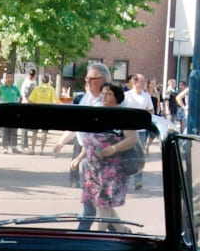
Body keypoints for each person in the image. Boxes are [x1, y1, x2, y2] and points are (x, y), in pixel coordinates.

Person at [52, 79, 137, 232]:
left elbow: (132, 139)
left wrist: (112, 149)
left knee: (103, 204)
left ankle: (100, 235)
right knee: (97, 203)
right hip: (93, 166)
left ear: (117, 96)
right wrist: (79, 157)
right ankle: (122, 229)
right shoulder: (98, 113)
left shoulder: (124, 115)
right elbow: (91, 140)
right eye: (103, 93)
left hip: (113, 168)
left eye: (109, 94)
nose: (104, 96)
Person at [123, 74, 154, 189]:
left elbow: (150, 110)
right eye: (140, 81)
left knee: (139, 155)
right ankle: (125, 180)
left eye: (144, 81)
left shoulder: (146, 96)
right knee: (127, 154)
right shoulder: (126, 96)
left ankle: (138, 180)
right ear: (134, 82)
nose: (143, 84)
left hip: (140, 130)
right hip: (128, 130)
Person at [27, 74, 56, 150]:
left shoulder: (37, 88)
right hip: (46, 112)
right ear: (48, 80)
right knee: (44, 132)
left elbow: (30, 100)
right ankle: (42, 150)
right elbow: (54, 101)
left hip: (37, 112)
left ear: (41, 80)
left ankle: (32, 149)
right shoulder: (51, 89)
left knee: (34, 132)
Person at [0, 72, 21, 152]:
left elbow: (20, 97)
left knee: (14, 130)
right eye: (8, 77)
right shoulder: (1, 88)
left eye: (11, 77)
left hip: (13, 111)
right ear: (5, 78)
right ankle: (5, 147)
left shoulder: (15, 88)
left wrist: (18, 104)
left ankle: (14, 147)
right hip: (4, 112)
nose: (10, 79)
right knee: (5, 130)